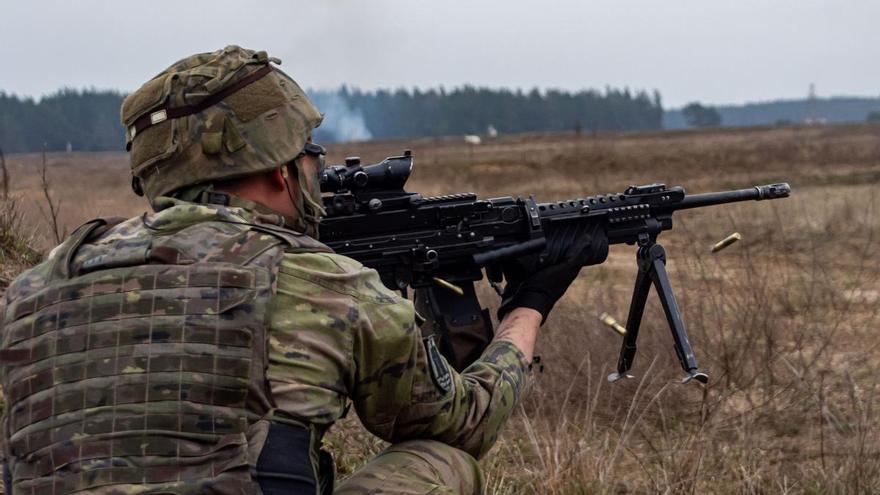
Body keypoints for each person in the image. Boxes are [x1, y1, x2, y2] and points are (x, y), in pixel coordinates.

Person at [0, 46, 602, 494]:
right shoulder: (324, 282)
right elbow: (464, 423)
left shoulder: (35, 287)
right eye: (309, 154)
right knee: (444, 466)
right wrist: (527, 309)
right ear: (278, 169)